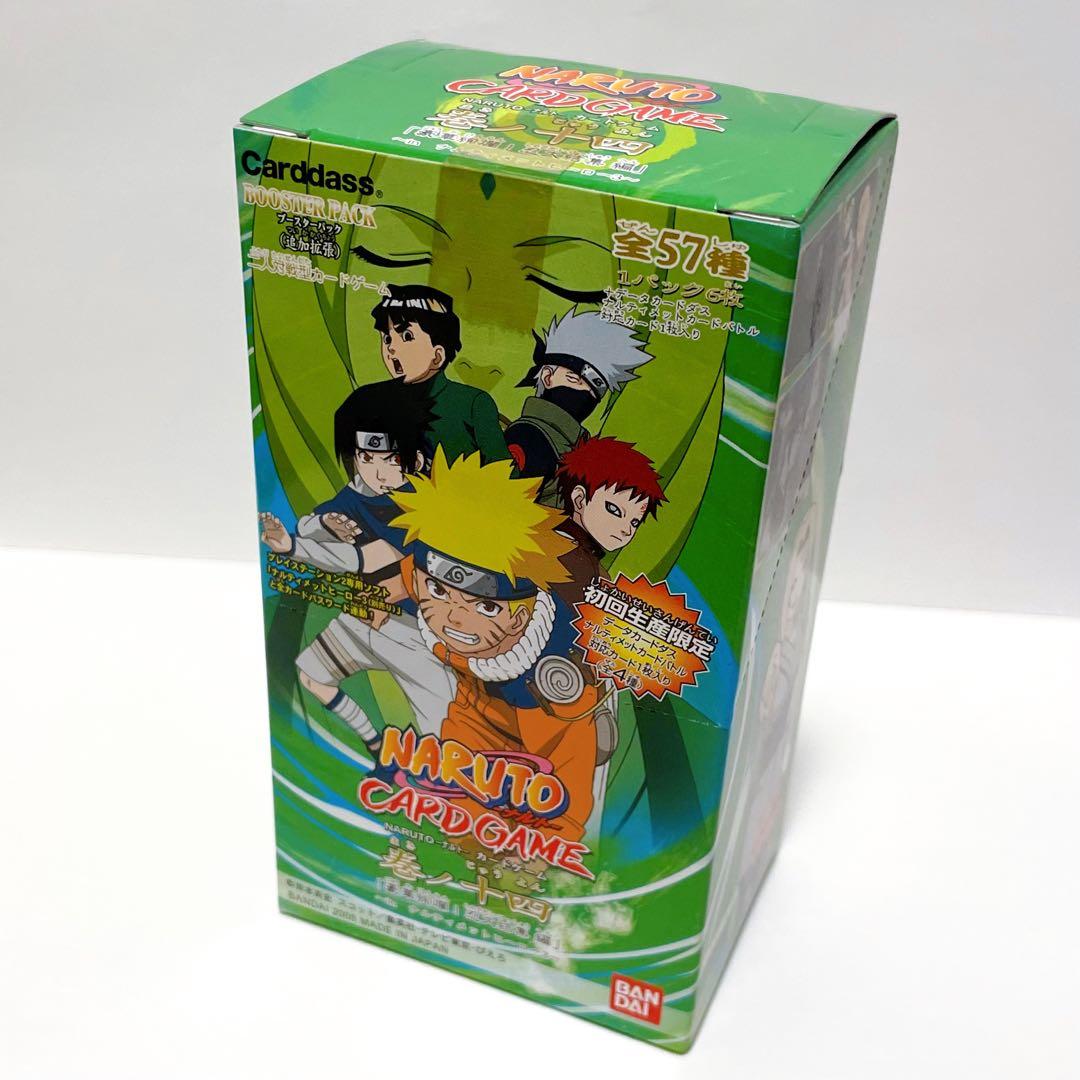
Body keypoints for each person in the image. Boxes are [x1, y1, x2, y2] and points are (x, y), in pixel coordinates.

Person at [258, 379, 455, 751]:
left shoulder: (425, 502)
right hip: (363, 619)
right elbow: (311, 522)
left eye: (390, 460)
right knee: (313, 676)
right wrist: (324, 524)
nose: (377, 472)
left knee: (444, 733)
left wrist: (293, 547)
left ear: (415, 460)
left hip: (415, 634)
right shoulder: (358, 492)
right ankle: (376, 743)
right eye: (366, 458)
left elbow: (372, 556)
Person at [504, 309, 653, 503]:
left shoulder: (580, 448)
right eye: (574, 379)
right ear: (547, 377)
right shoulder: (529, 436)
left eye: (596, 390)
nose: (586, 393)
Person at [370, 283, 508, 464]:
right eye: (387, 338)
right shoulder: (379, 406)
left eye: (407, 336)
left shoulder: (473, 404)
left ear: (438, 355)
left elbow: (504, 470)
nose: (392, 348)